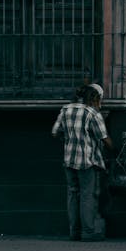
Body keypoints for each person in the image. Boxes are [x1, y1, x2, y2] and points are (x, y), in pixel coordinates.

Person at [52, 83, 113, 241]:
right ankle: (88, 232)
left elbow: (55, 132)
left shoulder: (66, 110)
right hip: (87, 161)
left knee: (73, 194)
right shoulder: (92, 114)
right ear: (95, 98)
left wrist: (69, 140)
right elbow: (104, 138)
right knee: (87, 195)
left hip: (69, 160)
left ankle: (74, 232)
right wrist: (114, 149)